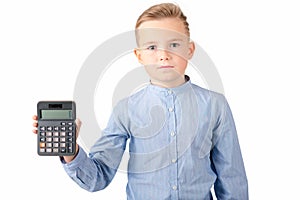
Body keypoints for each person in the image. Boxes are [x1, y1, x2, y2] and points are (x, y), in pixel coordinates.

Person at [32, 3, 248, 199]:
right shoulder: (126, 109)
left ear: (189, 49)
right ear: (139, 55)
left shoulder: (215, 105)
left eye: (174, 44)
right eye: (152, 47)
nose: (163, 55)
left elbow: (232, 179)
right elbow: (98, 178)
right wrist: (70, 151)